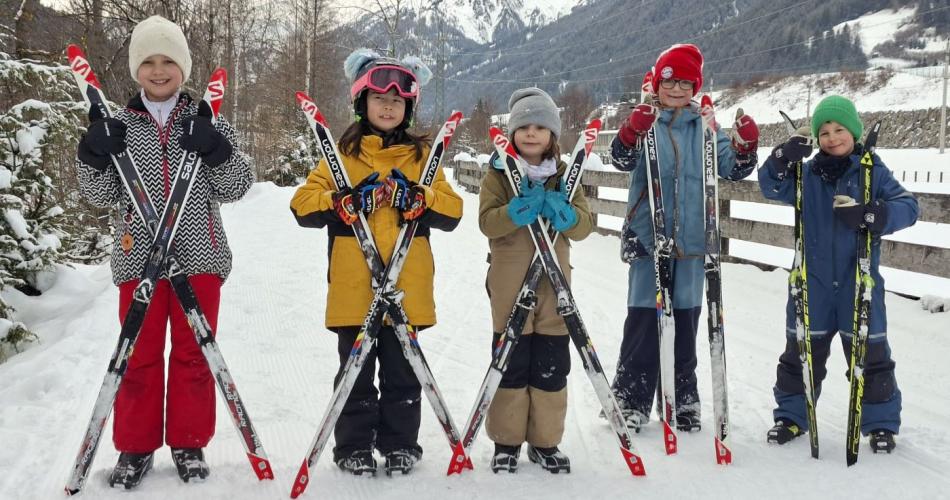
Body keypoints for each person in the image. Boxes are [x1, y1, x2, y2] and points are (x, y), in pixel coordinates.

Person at [75, 15, 253, 489]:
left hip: (200, 258)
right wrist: (92, 154)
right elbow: (99, 195)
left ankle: (189, 443)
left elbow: (237, 186)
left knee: (195, 354)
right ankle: (135, 447)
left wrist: (216, 150)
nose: (158, 71)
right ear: (136, 68)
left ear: (183, 68)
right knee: (138, 355)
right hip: (139, 259)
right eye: (149, 62)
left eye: (168, 61)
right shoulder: (118, 125)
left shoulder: (208, 120)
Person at [289, 48, 462, 476]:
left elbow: (453, 211)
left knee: (404, 374)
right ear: (361, 102)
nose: (388, 107)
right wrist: (341, 202)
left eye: (397, 101)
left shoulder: (422, 158)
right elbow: (302, 204)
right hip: (354, 290)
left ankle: (401, 443)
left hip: (407, 288)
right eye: (379, 99)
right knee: (356, 374)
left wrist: (422, 198)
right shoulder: (341, 156)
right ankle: (353, 446)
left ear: (408, 108)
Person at [608, 43, 760, 433]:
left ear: (696, 87)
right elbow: (621, 158)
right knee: (644, 321)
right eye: (670, 81)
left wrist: (745, 147)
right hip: (649, 237)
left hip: (693, 242)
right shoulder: (646, 121)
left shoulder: (705, 127)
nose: (677, 89)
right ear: (658, 83)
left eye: (686, 83)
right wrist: (631, 131)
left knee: (687, 322)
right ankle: (630, 398)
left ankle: (682, 397)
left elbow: (731, 166)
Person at [759, 95, 917, 453]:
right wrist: (784, 156)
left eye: (839, 129)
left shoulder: (871, 172)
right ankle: (791, 417)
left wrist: (872, 215)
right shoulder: (805, 175)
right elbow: (770, 185)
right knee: (801, 355)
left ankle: (880, 424)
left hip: (858, 283)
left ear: (854, 132)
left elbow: (908, 206)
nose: (832, 138)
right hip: (811, 283)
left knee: (871, 358)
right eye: (824, 132)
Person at [478, 87, 594, 474]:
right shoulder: (498, 174)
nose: (531, 133)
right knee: (510, 361)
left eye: (540, 127)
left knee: (551, 363)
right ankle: (506, 441)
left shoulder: (565, 177)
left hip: (554, 283)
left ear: (552, 135)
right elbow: (486, 223)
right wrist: (513, 212)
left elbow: (584, 226)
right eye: (524, 126)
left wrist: (568, 215)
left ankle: (545, 442)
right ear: (512, 132)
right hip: (509, 282)